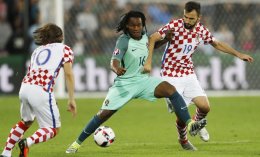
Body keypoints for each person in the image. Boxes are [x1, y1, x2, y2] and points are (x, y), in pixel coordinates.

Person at [65, 10, 206, 154]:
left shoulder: (145, 37)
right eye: (132, 26)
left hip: (142, 81)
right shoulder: (123, 40)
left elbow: (150, 47)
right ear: (127, 26)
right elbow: (114, 61)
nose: (136, 28)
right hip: (125, 85)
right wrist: (117, 68)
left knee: (170, 90)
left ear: (142, 25)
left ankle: (190, 124)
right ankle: (76, 144)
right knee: (103, 115)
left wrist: (164, 40)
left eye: (139, 25)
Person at [146, 1, 254, 151]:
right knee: (181, 112)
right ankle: (183, 140)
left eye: (191, 18)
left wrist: (238, 54)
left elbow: (217, 44)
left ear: (199, 18)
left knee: (205, 107)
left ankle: (197, 124)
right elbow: (152, 38)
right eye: (186, 17)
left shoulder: (201, 30)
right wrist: (149, 63)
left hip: (188, 72)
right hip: (170, 73)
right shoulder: (174, 25)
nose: (187, 21)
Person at [0, 23, 77, 157]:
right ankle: (27, 142)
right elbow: (69, 74)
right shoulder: (65, 49)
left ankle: (6, 152)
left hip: (25, 87)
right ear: (60, 36)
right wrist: (71, 99)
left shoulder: (37, 51)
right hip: (41, 90)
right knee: (53, 129)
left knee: (26, 121)